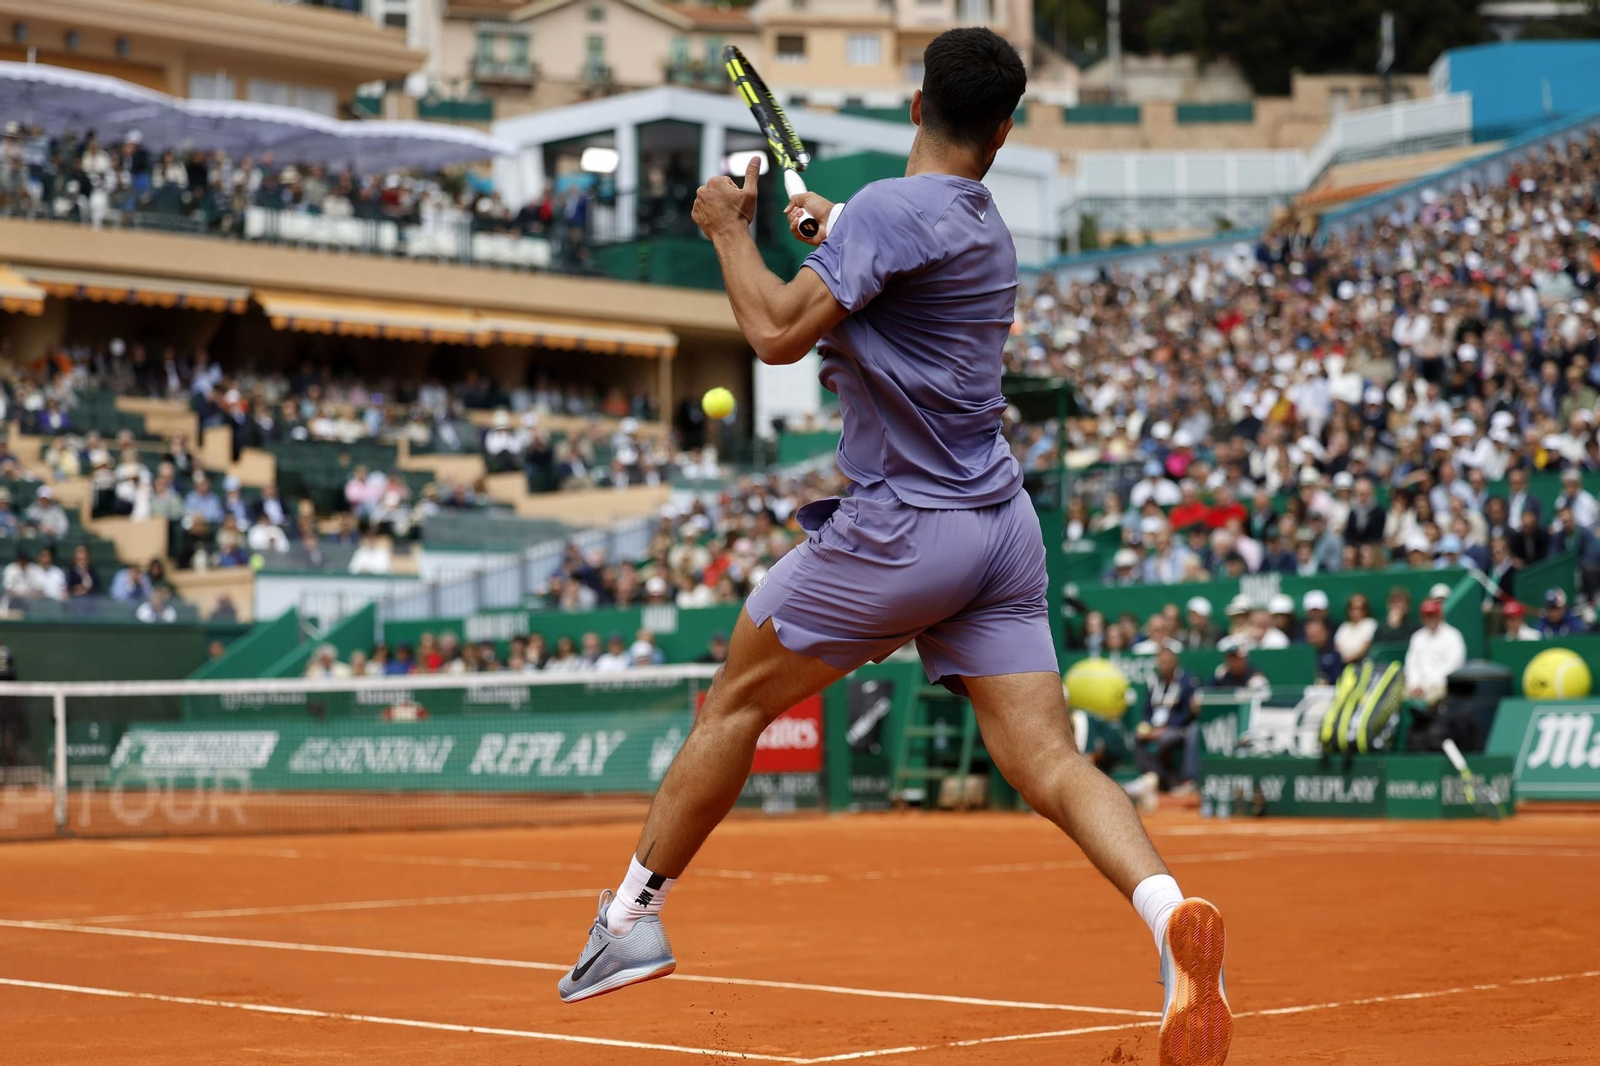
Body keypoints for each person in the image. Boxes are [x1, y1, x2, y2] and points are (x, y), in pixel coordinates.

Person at [556, 29, 1233, 1061]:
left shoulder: (885, 211)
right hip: (1002, 529)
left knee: (733, 702)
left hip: (905, 530)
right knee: (1050, 762)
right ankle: (1169, 915)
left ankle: (628, 920)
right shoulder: (980, 226)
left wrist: (728, 231)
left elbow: (776, 331)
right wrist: (833, 230)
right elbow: (892, 254)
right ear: (1002, 133)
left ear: (916, 105)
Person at [1132, 647, 1197, 793]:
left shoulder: (1188, 681)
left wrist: (1165, 728)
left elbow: (1188, 713)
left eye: (1167, 662)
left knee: (1166, 739)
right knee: (1137, 736)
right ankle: (1159, 777)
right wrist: (1146, 726)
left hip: (1176, 728)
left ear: (1175, 661)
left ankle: (1176, 779)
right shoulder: (1154, 681)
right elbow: (1147, 710)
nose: (1164, 665)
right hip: (1154, 727)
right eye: (1161, 662)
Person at [1403, 598, 1466, 708]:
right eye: (1427, 616)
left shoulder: (1453, 636)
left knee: (1429, 701)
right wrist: (1415, 684)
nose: (1430, 619)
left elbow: (1453, 667)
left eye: (1433, 615)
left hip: (1441, 685)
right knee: (1397, 699)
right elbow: (1411, 665)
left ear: (1440, 616)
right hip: (1417, 686)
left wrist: (1426, 686)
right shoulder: (1417, 637)